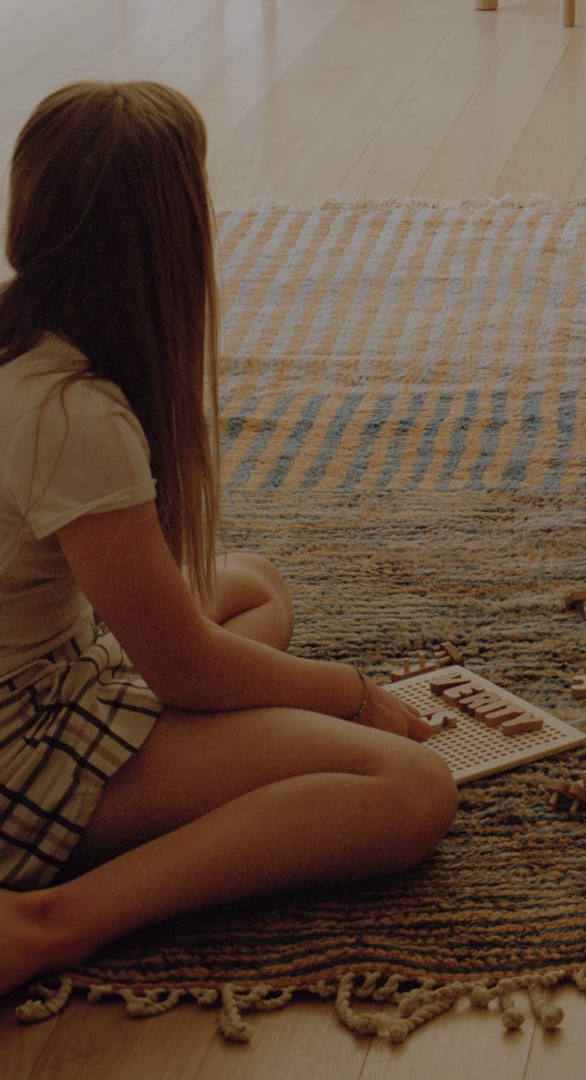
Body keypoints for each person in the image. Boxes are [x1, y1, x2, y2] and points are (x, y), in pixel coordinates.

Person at [0, 82, 455, 998]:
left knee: (254, 585)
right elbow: (184, 672)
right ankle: (49, 923)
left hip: (51, 665)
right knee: (411, 787)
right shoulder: (68, 413)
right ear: (170, 239)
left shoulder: (23, 344)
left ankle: (197, 768)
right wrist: (351, 694)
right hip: (20, 736)